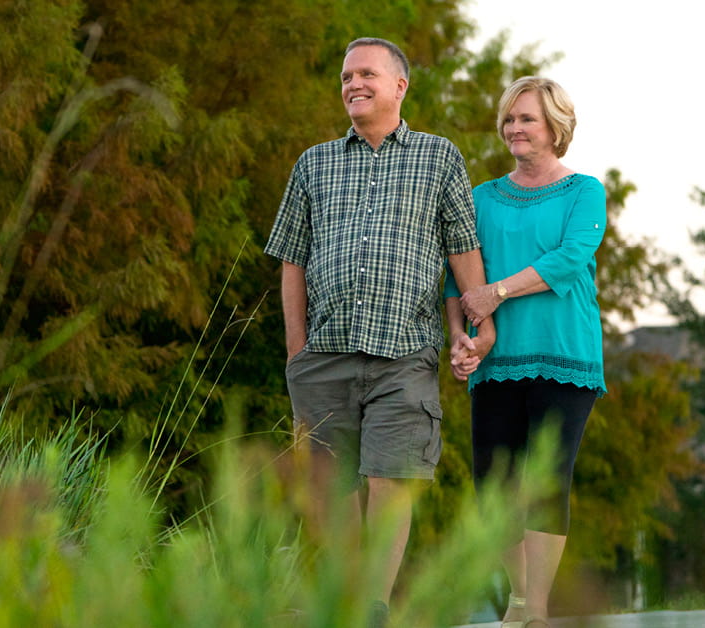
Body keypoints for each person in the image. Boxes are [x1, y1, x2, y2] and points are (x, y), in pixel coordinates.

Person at [264, 37, 495, 626]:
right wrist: (296, 350)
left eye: (366, 74)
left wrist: (480, 326)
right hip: (324, 353)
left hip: (405, 353)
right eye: (346, 77)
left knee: (393, 478)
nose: (353, 85)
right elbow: (292, 260)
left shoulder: (438, 157)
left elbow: (462, 247)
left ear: (400, 85)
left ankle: (374, 605)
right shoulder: (313, 163)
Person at [445, 76, 607, 628]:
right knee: (492, 485)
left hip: (565, 356)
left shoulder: (584, 192)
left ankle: (537, 608)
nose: (515, 128)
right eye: (510, 119)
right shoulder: (481, 198)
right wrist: (459, 337)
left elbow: (570, 257)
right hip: (496, 361)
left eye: (527, 118)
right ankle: (519, 599)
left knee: (546, 480)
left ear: (555, 126)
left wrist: (497, 292)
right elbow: (457, 275)